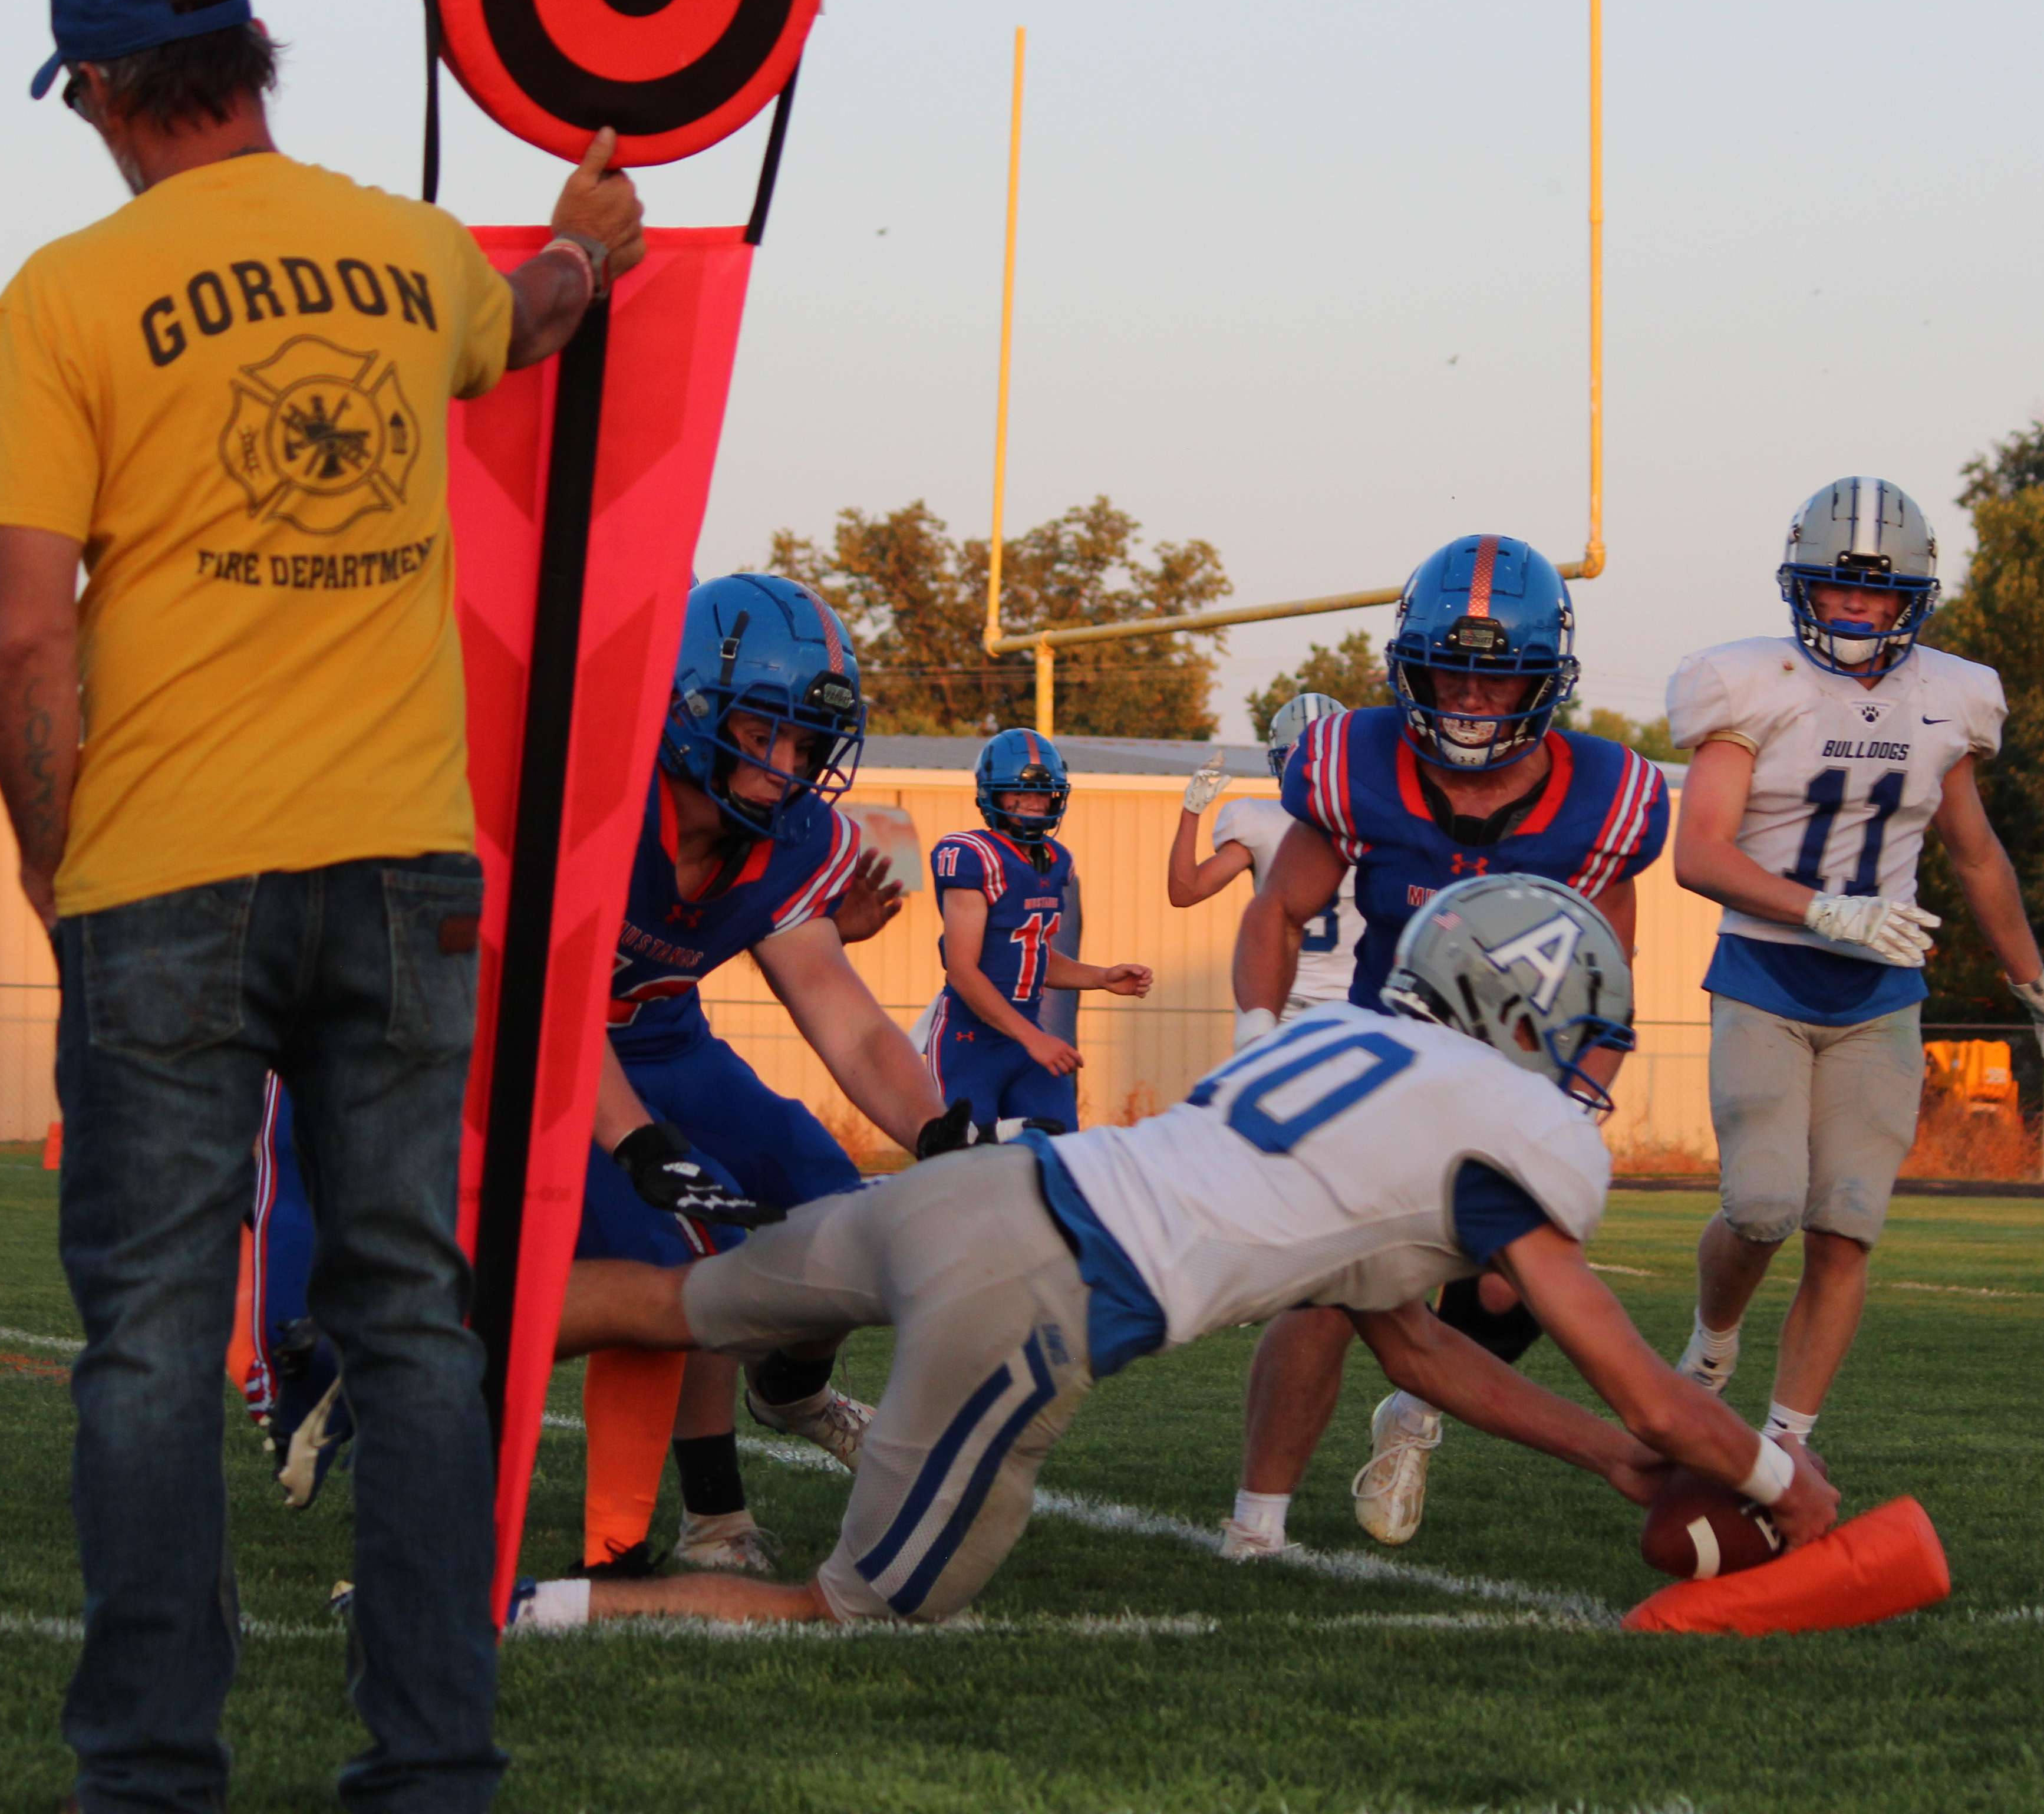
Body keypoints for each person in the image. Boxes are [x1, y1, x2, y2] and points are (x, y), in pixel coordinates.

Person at [0, 0, 645, 1812]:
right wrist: (590, 225)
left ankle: (153, 1775)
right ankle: (435, 1765)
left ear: (96, 92)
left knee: (155, 1339)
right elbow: (550, 313)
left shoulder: (65, 297)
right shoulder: (411, 255)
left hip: (169, 871)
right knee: (415, 1315)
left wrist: (45, 862)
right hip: (407, 866)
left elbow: (24, 639)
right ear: (257, 56)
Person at [513, 875, 1839, 1631]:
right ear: (1524, 1011)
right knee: (851, 1610)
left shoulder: (1331, 1041)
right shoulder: (1506, 1131)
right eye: (1587, 1036)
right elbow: (1652, 1390)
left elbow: (1416, 1344)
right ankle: (542, 1614)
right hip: (1035, 1298)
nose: (1592, 1070)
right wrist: (1788, 1480)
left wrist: (1616, 1464)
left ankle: (397, 1340)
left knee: (673, 1296)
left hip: (985, 1187)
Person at [1222, 534, 1671, 1558]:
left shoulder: (1603, 795)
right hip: (1381, 1060)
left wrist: (1578, 1101)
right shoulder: (1352, 762)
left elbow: (1604, 982)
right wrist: (1257, 1031)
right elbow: (1278, 912)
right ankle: (1257, 1524)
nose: (1469, 698)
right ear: (1407, 666)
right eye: (1449, 671)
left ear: (1540, 681)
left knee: (1514, 1285)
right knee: (1327, 1292)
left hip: (1509, 1076)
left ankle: (1411, 1424)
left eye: (1494, 674)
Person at [1664, 478, 2044, 1458]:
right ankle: (1712, 1335)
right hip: (1766, 972)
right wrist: (1821, 908)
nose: (1854, 610)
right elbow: (1699, 853)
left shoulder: (1950, 695)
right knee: (1762, 1206)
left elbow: (1974, 852)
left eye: (1875, 593)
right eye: (1835, 590)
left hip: (1879, 996)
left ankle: (1787, 1440)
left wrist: (2031, 976)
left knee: (1845, 1224)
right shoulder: (1744, 682)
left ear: (1912, 599)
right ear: (1797, 590)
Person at [586, 574, 966, 1574]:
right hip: (531, 1049)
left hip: (665, 1042)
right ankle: (711, 1517)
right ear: (687, 709)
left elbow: (844, 1020)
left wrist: (937, 1131)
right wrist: (638, 1143)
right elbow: (541, 1012)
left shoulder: (792, 838)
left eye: (805, 742)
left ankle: (791, 1390)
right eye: (765, 734)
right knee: (678, 1257)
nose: (788, 766)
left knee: (837, 1219)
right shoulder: (595, 803)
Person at [918, 730, 1152, 1134]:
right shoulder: (974, 856)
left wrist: (1100, 977)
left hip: (1024, 1041)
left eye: (1043, 794)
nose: (1034, 804)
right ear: (991, 796)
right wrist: (1033, 1038)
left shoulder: (1056, 861)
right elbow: (962, 970)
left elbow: (1032, 955)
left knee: (1058, 1153)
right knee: (963, 1164)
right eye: (1020, 794)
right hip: (969, 1042)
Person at [1163, 693, 1363, 1017]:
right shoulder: (1376, 818)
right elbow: (1185, 892)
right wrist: (1191, 812)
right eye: (1298, 759)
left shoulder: (1256, 818)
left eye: (1318, 759)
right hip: (1294, 1002)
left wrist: (1191, 812)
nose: (1307, 770)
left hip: (1348, 1004)